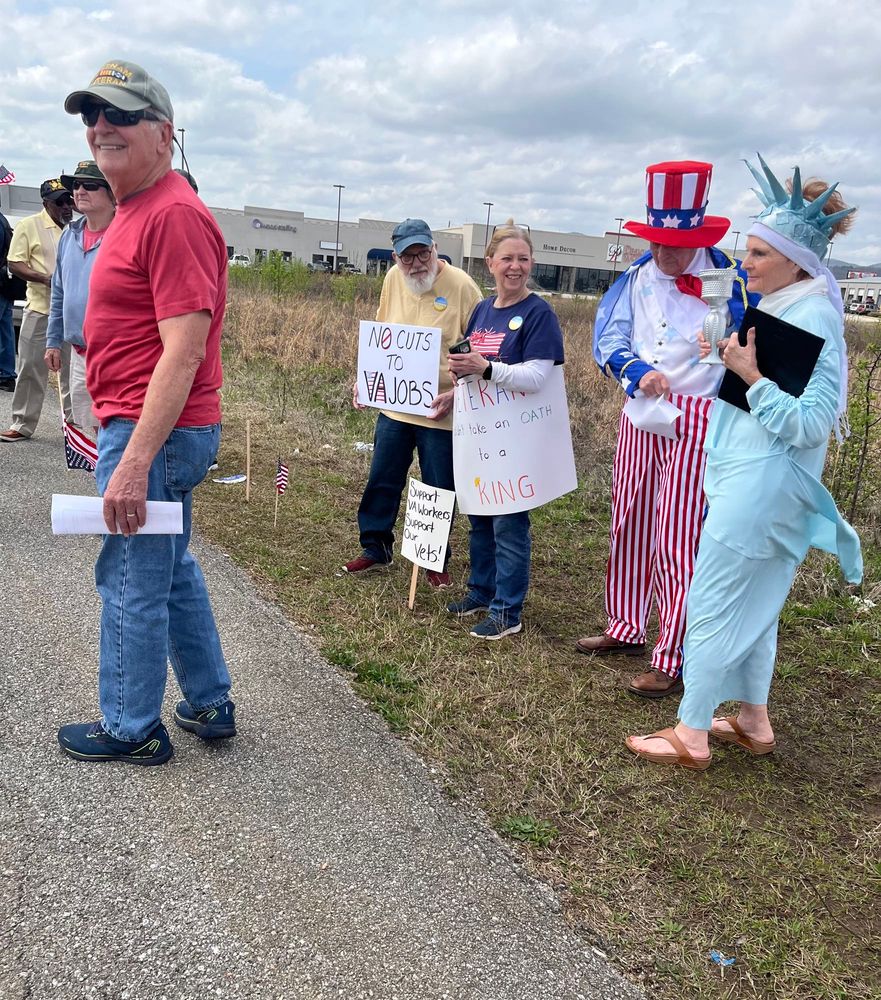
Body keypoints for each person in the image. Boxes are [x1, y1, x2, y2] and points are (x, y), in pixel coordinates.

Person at [627, 154, 862, 770]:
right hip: (755, 478)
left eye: (757, 253)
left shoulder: (811, 314)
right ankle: (753, 720)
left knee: (712, 598)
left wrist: (750, 376)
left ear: (794, 260)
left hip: (762, 486)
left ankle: (691, 731)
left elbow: (810, 421)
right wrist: (726, 358)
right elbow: (756, 388)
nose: (745, 260)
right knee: (758, 603)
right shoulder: (785, 306)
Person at [56, 59, 235, 765]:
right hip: (145, 428)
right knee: (169, 566)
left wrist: (132, 461)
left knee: (130, 574)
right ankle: (209, 699)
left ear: (164, 134)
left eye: (121, 115)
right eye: (93, 117)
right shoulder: (134, 210)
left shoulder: (172, 215)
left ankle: (131, 728)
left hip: (150, 434)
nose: (102, 127)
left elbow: (183, 352)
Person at [578, 161, 754, 697]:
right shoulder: (634, 277)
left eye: (674, 244)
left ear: (697, 236)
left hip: (699, 416)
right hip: (642, 413)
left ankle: (672, 653)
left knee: (679, 535)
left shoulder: (729, 278)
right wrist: (634, 371)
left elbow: (751, 348)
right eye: (656, 242)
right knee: (628, 514)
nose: (663, 254)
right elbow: (608, 338)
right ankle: (626, 623)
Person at [344, 218, 482, 587]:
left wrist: (459, 394)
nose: (417, 263)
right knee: (382, 478)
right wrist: (366, 379)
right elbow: (382, 333)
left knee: (439, 488)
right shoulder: (393, 279)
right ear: (396, 257)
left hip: (440, 408)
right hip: (395, 404)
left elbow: (481, 348)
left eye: (424, 253)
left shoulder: (463, 287)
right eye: (408, 257)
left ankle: (433, 558)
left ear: (435, 248)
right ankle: (375, 546)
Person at [446, 221, 565, 639]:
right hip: (482, 437)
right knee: (479, 515)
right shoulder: (482, 310)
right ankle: (481, 590)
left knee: (508, 524)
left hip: (517, 439)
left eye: (523, 259)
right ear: (490, 263)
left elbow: (536, 377)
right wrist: (456, 389)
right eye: (507, 259)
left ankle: (507, 611)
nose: (515, 267)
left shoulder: (538, 314)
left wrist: (487, 367)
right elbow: (474, 371)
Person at [44, 161, 115, 437]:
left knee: (116, 429)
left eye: (90, 185)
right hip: (79, 352)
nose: (79, 191)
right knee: (89, 428)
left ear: (112, 193)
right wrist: (52, 342)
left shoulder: (124, 236)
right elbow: (59, 292)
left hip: (115, 355)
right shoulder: (68, 236)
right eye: (76, 185)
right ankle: (102, 479)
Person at [0, 179, 74, 441]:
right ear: (46, 204)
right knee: (31, 368)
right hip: (41, 309)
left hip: (73, 313)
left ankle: (73, 428)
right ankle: (22, 424)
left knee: (72, 373)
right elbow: (15, 262)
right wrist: (44, 278)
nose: (67, 207)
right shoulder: (29, 225)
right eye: (60, 202)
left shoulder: (76, 229)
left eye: (69, 201)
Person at [0, 208, 23, 392]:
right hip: (5, 284)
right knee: (5, 330)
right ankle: (7, 375)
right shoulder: (3, 221)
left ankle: (6, 374)